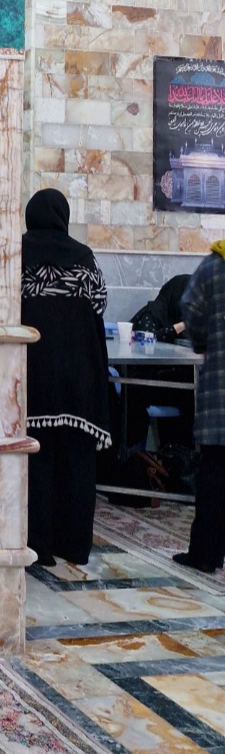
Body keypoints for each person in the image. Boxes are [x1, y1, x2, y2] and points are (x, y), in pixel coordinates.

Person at [21, 188, 111, 567]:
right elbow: (100, 304)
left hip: (34, 373)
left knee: (37, 459)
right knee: (76, 460)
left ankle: (38, 545)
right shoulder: (83, 257)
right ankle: (73, 545)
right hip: (79, 378)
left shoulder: (18, 254)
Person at [173, 244, 225, 574]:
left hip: (220, 389)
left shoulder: (213, 266)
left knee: (214, 473)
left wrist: (204, 342)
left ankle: (206, 554)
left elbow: (189, 307)